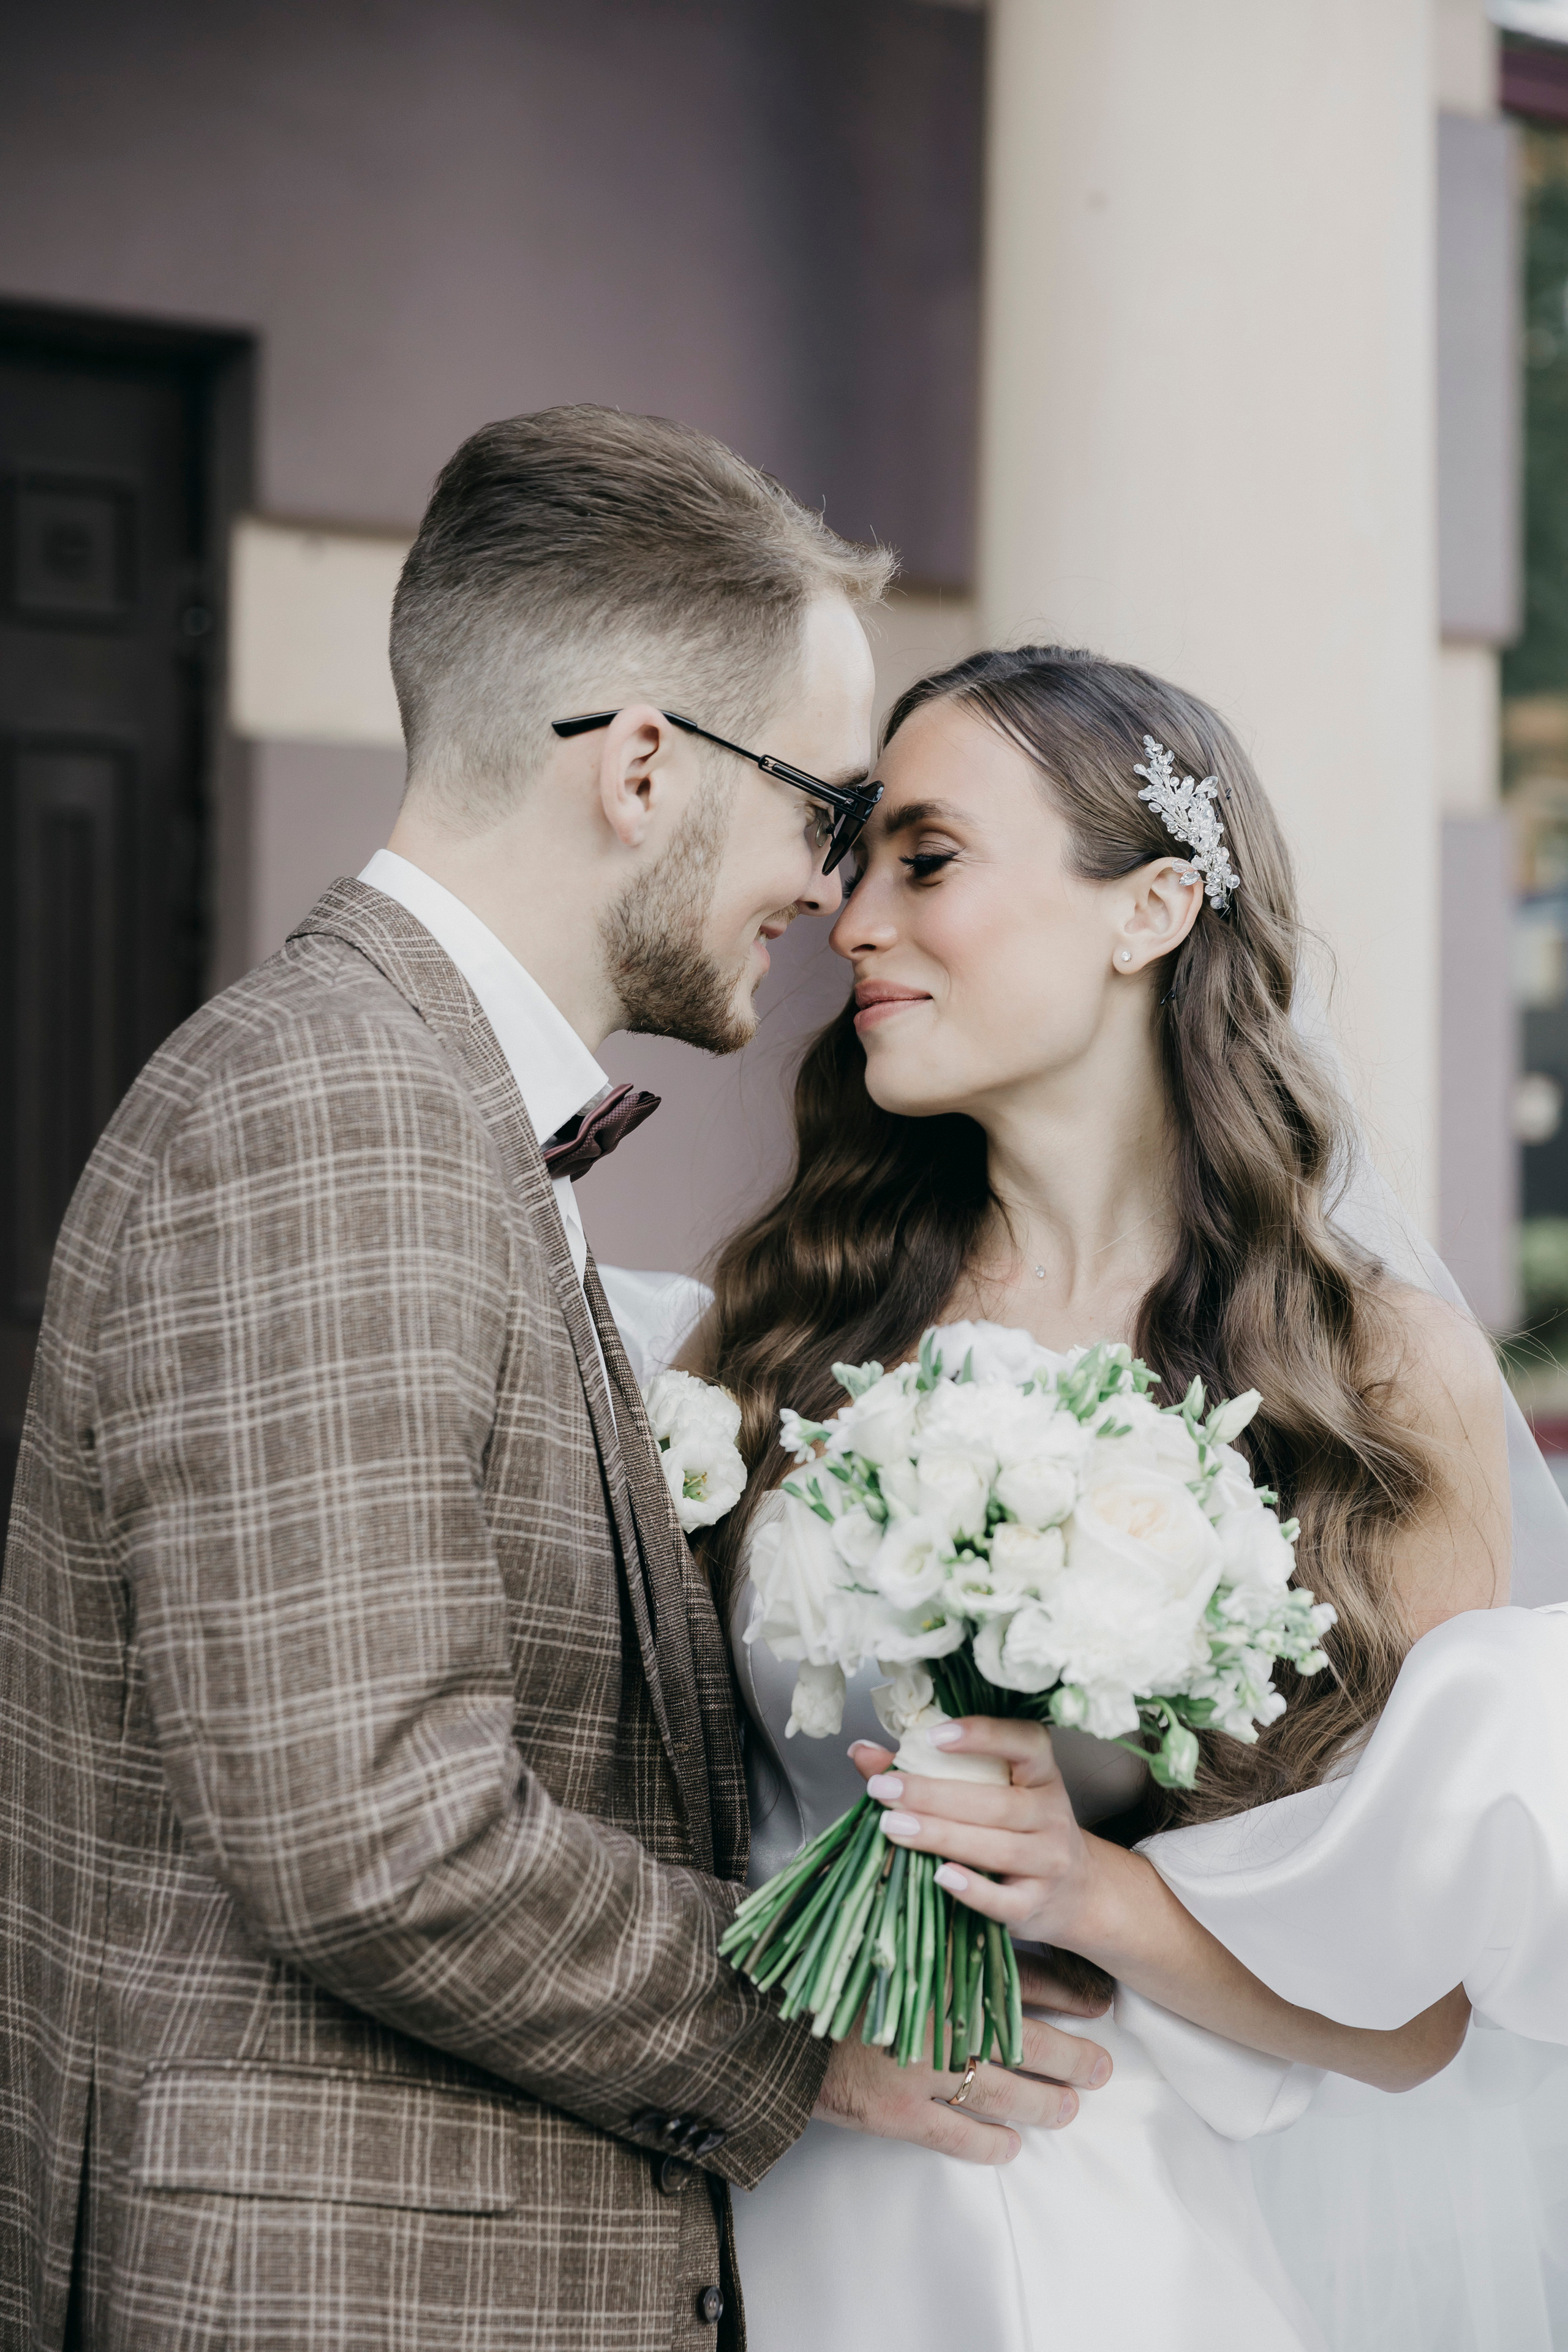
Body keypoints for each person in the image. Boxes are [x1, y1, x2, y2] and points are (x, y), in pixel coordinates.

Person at [0, 420, 1122, 2352]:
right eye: (821, 810)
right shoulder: (334, 1114)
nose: (828, 891)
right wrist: (809, 2042)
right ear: (642, 767)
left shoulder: (414, 1100)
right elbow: (378, 1833)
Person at [630, 644, 1568, 2351]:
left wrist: (1090, 1890)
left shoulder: (1372, 1375)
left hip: (1102, 2242)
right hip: (755, 2213)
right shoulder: (774, 1324)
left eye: (925, 860)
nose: (851, 923)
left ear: (1150, 910)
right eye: (850, 868)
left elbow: (1412, 2015)